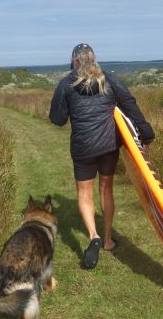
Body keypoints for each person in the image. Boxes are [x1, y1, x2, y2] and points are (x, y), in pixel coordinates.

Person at [49, 43, 155, 269]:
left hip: (82, 148)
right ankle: (107, 240)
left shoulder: (66, 84)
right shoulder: (110, 80)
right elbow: (130, 105)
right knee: (106, 188)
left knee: (84, 193)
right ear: (94, 58)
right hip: (108, 146)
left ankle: (93, 236)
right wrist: (146, 133)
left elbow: (57, 119)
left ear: (74, 60)